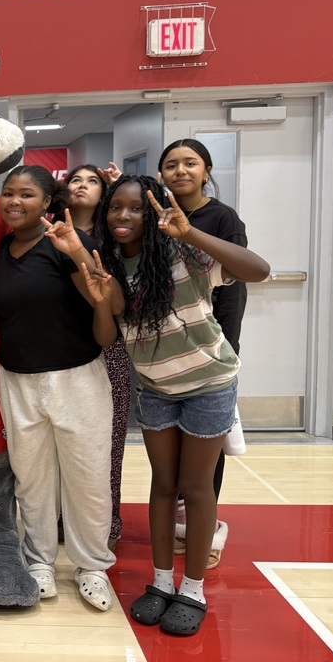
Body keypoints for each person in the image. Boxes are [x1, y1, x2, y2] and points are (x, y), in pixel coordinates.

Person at [88, 175, 269, 636]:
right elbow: (106, 338)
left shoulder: (184, 255)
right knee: (164, 484)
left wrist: (189, 232)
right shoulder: (108, 265)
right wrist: (100, 301)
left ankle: (193, 588)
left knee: (196, 485)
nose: (123, 216)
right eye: (115, 208)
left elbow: (258, 269)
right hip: (154, 387)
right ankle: (163, 581)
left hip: (209, 382)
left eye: (135, 208)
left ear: (153, 214)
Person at [0, 166, 123, 610]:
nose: (14, 201)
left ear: (48, 202)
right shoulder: (0, 249)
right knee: (32, 480)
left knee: (87, 479)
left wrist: (79, 252)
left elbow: (112, 306)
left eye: (26, 194)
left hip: (76, 378)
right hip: (16, 380)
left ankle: (92, 568)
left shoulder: (67, 244)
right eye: (7, 193)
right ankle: (40, 561)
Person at [158, 138, 248, 568]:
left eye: (190, 163)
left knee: (207, 454)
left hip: (210, 349)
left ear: (206, 171)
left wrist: (226, 340)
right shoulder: (155, 217)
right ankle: (177, 529)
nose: (181, 171)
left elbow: (236, 280)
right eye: (171, 164)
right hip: (165, 353)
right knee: (172, 457)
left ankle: (204, 533)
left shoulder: (220, 217)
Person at [65, 163, 131, 548]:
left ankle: (108, 521)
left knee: (109, 442)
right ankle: (62, 519)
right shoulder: (48, 230)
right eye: (76, 179)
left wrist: (121, 184)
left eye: (93, 181)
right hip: (60, 348)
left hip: (108, 348)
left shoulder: (117, 239)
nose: (83, 186)